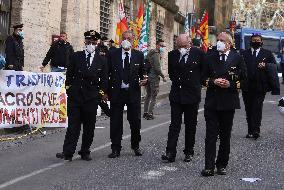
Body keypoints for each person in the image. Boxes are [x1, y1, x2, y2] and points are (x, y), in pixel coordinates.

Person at [56, 30, 108, 161]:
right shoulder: (76, 56)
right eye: (89, 41)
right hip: (76, 96)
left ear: (97, 43)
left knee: (89, 127)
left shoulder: (102, 60)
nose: (91, 44)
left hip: (91, 97)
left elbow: (104, 80)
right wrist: (69, 89)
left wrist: (100, 93)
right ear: (85, 42)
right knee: (73, 126)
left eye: (93, 42)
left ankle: (85, 151)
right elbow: (69, 75)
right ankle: (68, 152)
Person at [201, 32, 247, 176]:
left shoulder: (237, 58)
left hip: (228, 102)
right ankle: (209, 166)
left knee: (225, 135)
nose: (218, 42)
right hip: (212, 102)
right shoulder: (210, 57)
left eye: (221, 40)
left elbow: (245, 80)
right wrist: (213, 81)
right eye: (218, 40)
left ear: (229, 44)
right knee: (211, 135)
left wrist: (231, 84)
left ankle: (222, 164)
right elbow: (201, 77)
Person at [161, 34, 205, 163]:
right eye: (179, 46)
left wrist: (196, 83)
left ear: (190, 43)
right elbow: (172, 74)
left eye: (184, 46)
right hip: (177, 95)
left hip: (192, 95)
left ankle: (189, 151)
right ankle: (170, 152)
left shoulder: (199, 54)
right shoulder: (172, 55)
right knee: (174, 125)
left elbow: (203, 72)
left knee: (190, 125)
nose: (181, 49)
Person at [107, 30, 147, 158]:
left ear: (133, 40)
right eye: (124, 38)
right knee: (115, 121)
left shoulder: (139, 55)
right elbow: (106, 73)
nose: (126, 41)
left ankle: (135, 145)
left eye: (129, 38)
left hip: (133, 92)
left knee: (135, 121)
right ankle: (115, 148)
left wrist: (144, 80)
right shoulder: (113, 54)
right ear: (120, 40)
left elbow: (143, 72)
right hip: (117, 92)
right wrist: (106, 91)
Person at [241, 33, 280, 140]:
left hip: (260, 86)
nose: (256, 41)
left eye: (258, 40)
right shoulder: (244, 53)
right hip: (247, 86)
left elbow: (275, 66)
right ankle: (250, 131)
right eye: (254, 40)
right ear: (250, 41)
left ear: (261, 42)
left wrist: (266, 65)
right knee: (248, 108)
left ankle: (256, 130)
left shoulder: (267, 54)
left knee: (257, 108)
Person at [143, 39, 167, 120]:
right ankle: (150, 114)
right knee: (154, 96)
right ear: (157, 45)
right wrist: (163, 76)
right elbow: (157, 68)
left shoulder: (150, 53)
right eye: (161, 46)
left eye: (163, 46)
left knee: (148, 95)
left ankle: (145, 112)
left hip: (148, 76)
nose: (163, 47)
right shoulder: (156, 54)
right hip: (154, 77)